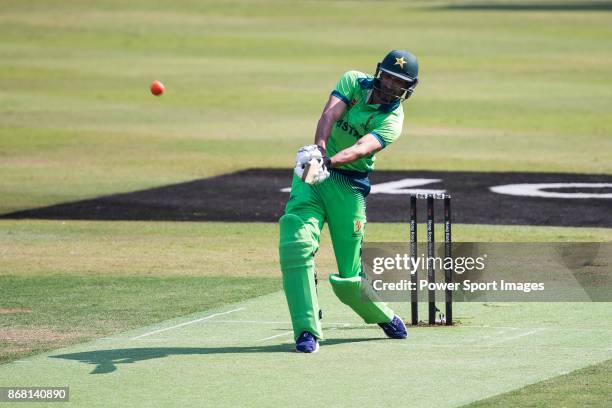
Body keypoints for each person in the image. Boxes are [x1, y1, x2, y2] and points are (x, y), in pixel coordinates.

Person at [279, 50, 419, 353]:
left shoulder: (392, 120)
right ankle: (306, 331)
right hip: (313, 179)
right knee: (295, 244)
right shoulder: (354, 80)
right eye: (388, 78)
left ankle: (382, 314)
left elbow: (360, 148)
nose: (390, 87)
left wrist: (328, 162)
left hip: (349, 186)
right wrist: (318, 153)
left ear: (408, 89)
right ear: (379, 72)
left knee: (349, 279)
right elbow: (329, 114)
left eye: (399, 84)